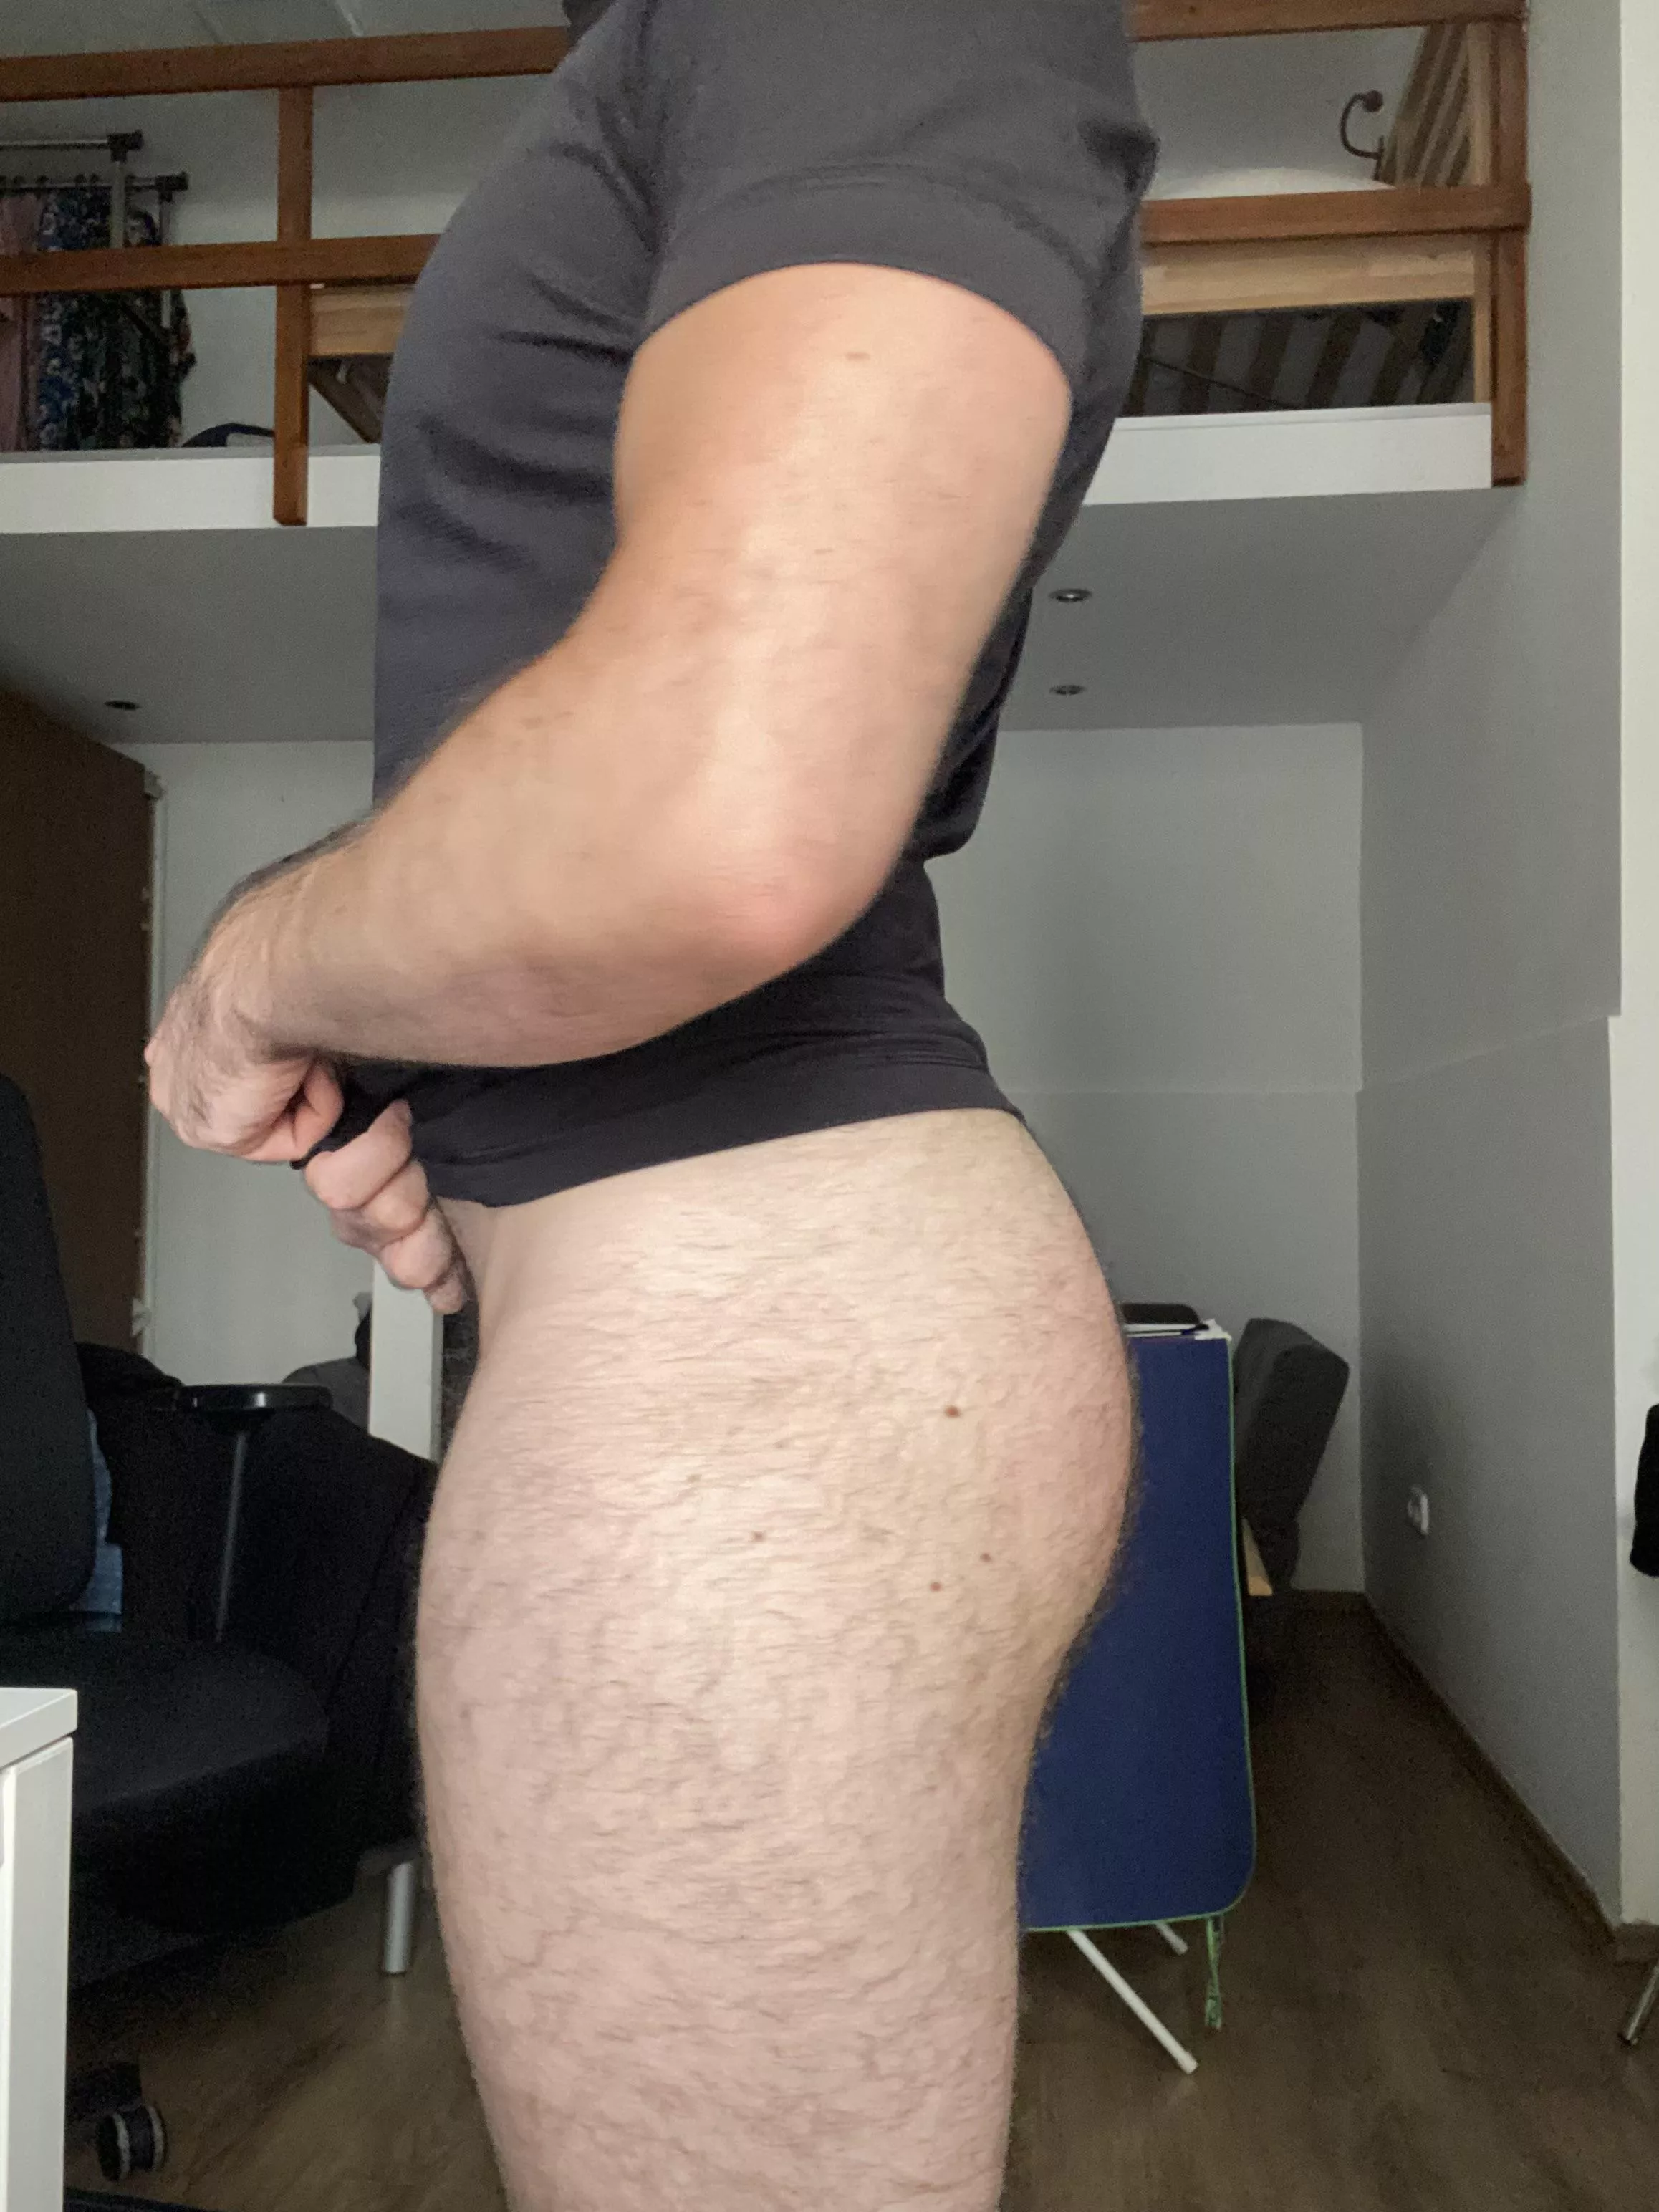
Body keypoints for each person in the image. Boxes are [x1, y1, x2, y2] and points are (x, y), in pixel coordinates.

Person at [147, 4, 1155, 2206]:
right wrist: (445, 1070)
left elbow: (718, 808)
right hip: (727, 1346)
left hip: (748, 1396)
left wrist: (256, 969)